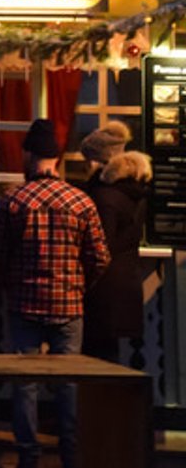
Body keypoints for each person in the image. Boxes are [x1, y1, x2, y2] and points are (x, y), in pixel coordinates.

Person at [0, 117, 110, 468]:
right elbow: (99, 256)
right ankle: (70, 454)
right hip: (69, 303)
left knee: (24, 383)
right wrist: (79, 284)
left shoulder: (14, 200)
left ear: (28, 155)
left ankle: (29, 455)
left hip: (25, 301)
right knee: (69, 383)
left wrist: (10, 282)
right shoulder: (81, 201)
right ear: (56, 158)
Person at [83, 147, 152, 361]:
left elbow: (102, 245)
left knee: (95, 352)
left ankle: (94, 395)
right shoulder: (138, 198)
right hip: (127, 280)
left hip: (103, 285)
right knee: (111, 354)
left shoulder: (106, 198)